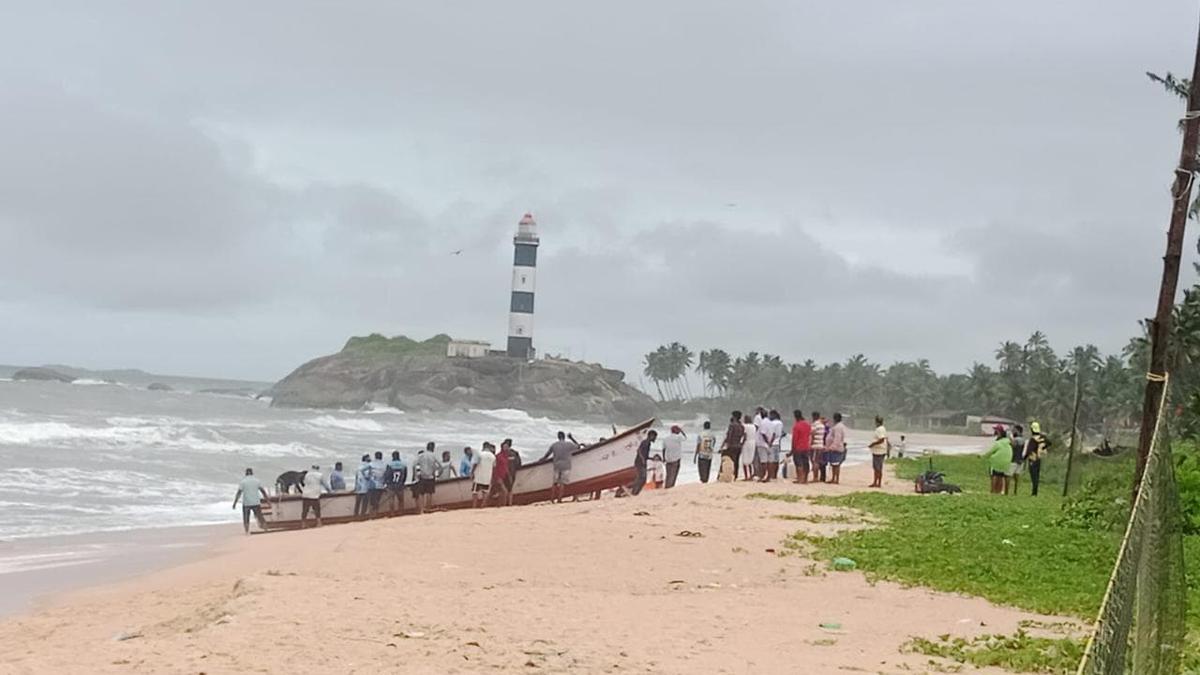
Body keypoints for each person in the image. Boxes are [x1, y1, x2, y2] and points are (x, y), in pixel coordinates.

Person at [541, 431, 579, 503]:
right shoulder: (569, 444)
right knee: (562, 484)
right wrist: (571, 438)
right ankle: (559, 499)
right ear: (564, 437)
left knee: (555, 483)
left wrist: (541, 460)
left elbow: (547, 455)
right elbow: (578, 446)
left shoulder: (554, 445)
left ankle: (552, 499)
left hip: (557, 466)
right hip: (566, 466)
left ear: (558, 437)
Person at [232, 468, 269, 534]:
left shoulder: (243, 482)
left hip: (247, 503)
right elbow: (263, 491)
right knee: (260, 516)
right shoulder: (257, 481)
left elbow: (239, 493)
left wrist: (235, 503)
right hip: (256, 502)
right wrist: (267, 500)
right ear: (252, 473)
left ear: (246, 473)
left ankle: (246, 531)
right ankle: (266, 529)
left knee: (246, 518)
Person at [413, 442, 440, 514]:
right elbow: (440, 466)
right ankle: (428, 508)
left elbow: (414, 465)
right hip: (430, 476)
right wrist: (437, 474)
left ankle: (422, 509)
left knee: (421, 494)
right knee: (429, 493)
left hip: (422, 477)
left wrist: (416, 475)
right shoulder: (433, 456)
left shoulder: (421, 455)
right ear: (433, 448)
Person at [300, 463, 330, 528]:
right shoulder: (320, 475)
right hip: (314, 495)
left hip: (305, 494)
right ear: (318, 468)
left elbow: (304, 483)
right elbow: (325, 484)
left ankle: (303, 524)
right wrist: (329, 491)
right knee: (317, 510)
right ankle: (319, 523)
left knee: (305, 510)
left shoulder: (307, 475)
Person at [985, 426, 1012, 494]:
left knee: (994, 475)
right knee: (1000, 476)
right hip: (1006, 462)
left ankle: (993, 490)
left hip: (996, 462)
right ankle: (999, 491)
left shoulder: (998, 443)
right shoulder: (1008, 442)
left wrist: (983, 456)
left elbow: (990, 452)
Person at [1025, 422, 1050, 496]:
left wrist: (1024, 457)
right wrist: (1043, 448)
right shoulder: (1042, 437)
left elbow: (1029, 450)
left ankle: (1034, 492)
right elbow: (1049, 443)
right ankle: (1035, 491)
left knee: (1033, 476)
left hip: (1033, 459)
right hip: (1039, 459)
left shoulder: (1033, 440)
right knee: (1037, 475)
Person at [629, 430, 656, 496]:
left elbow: (644, 454)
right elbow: (639, 450)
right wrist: (643, 459)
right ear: (651, 436)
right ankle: (633, 491)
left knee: (642, 478)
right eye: (655, 437)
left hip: (642, 462)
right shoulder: (645, 442)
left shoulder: (648, 443)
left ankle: (635, 492)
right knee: (642, 478)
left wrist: (650, 458)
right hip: (640, 462)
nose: (655, 438)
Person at [721, 411, 746, 481]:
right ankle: (735, 475)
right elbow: (743, 436)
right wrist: (741, 444)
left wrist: (725, 445)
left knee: (730, 461)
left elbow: (729, 436)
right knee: (736, 462)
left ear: (734, 417)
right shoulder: (742, 426)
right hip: (738, 446)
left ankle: (729, 475)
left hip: (732, 445)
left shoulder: (732, 425)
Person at [791, 410, 812, 484]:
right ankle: (805, 479)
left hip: (798, 448)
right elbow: (809, 435)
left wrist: (792, 450)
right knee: (806, 463)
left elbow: (794, 439)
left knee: (799, 464)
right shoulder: (808, 425)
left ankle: (800, 479)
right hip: (806, 447)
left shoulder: (796, 426)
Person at [825, 413, 847, 484]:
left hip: (836, 449)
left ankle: (835, 479)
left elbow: (837, 439)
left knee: (835, 465)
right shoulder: (839, 426)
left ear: (835, 419)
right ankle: (834, 478)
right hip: (837, 448)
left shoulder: (838, 427)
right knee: (834, 465)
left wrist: (832, 447)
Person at [868, 416, 890, 488]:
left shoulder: (879, 429)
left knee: (878, 468)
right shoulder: (883, 428)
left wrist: (872, 444)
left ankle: (878, 483)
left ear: (876, 422)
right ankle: (876, 482)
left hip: (879, 451)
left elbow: (882, 439)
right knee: (877, 468)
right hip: (880, 451)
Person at [384, 450, 408, 515]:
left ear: (392, 457)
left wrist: (386, 483)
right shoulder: (403, 465)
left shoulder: (389, 464)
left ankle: (392, 512)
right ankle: (401, 512)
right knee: (400, 500)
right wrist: (402, 483)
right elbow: (405, 475)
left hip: (391, 485)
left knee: (391, 499)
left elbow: (387, 475)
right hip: (400, 485)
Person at [473, 443, 496, 507]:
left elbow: (475, 464)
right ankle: (483, 505)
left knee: (475, 492)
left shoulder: (480, 454)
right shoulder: (493, 456)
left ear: (483, 447)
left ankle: (474, 506)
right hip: (488, 477)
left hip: (478, 476)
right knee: (485, 492)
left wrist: (472, 472)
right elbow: (494, 467)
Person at [501, 439, 522, 506]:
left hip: (506, 474)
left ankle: (506, 503)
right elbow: (519, 464)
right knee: (509, 489)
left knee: (507, 489)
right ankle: (509, 503)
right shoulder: (515, 453)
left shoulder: (502, 454)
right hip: (511, 473)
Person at [491, 441, 511, 506]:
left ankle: (500, 505)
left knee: (503, 492)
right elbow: (494, 467)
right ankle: (503, 505)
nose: (506, 448)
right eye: (505, 447)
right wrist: (496, 477)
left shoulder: (506, 456)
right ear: (502, 448)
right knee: (504, 491)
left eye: (507, 447)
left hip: (505, 476)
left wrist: (509, 475)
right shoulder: (498, 456)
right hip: (499, 477)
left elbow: (506, 467)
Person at [767, 410, 785, 480]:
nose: (769, 417)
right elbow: (781, 433)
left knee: (771, 460)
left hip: (772, 443)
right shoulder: (780, 423)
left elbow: (773, 434)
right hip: (778, 443)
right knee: (776, 460)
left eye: (770, 415)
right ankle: (775, 475)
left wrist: (770, 442)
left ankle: (770, 475)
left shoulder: (772, 423)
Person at [1007, 425, 1025, 496]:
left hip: (1014, 460)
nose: (1013, 431)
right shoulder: (1022, 439)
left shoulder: (1018, 439)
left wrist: (1010, 437)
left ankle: (1007, 492)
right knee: (1016, 477)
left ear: (1017, 430)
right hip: (1020, 460)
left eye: (1014, 430)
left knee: (1008, 476)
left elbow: (1014, 444)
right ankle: (1015, 492)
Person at [369, 451, 387, 516]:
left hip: (372, 485)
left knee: (372, 501)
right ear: (381, 457)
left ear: (375, 456)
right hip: (381, 485)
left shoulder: (371, 464)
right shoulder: (384, 465)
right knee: (377, 500)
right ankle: (376, 513)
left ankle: (371, 514)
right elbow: (386, 475)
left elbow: (368, 474)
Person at [811, 412, 827, 483]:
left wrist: (810, 443)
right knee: (817, 461)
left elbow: (812, 434)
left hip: (815, 445)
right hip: (820, 445)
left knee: (815, 462)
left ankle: (815, 477)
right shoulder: (822, 425)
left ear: (813, 417)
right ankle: (816, 477)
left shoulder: (815, 424)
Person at [741, 414, 757, 481]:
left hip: (747, 442)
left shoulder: (745, 426)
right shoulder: (753, 426)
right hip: (753, 442)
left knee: (744, 460)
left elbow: (745, 435)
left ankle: (746, 476)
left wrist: (741, 443)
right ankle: (751, 475)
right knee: (750, 460)